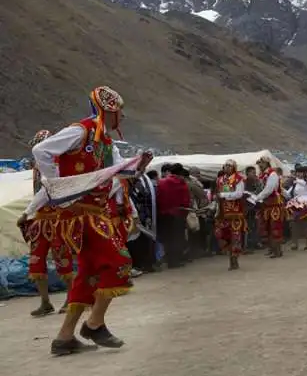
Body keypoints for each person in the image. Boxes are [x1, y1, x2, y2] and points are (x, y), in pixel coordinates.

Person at [23, 86, 151, 355]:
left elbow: (120, 174)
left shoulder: (106, 143)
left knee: (88, 275)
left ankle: (64, 337)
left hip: (94, 214)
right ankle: (94, 324)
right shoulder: (80, 132)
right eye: (119, 113)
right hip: (80, 215)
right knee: (120, 261)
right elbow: (42, 152)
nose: (122, 118)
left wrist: (138, 166)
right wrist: (61, 187)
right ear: (107, 111)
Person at [17, 130, 74, 316]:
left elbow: (47, 191)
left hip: (57, 218)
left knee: (63, 259)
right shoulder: (38, 166)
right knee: (36, 261)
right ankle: (45, 302)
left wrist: (26, 212)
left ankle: (71, 299)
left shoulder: (55, 167)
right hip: (41, 219)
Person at [156, 164, 192, 268]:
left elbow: (158, 198)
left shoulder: (162, 182)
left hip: (164, 215)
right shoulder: (182, 183)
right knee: (177, 238)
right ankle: (175, 261)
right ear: (180, 173)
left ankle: (169, 260)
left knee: (167, 239)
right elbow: (186, 201)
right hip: (178, 215)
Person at [215, 159, 247, 270]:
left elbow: (238, 194)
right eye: (226, 166)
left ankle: (234, 260)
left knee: (235, 236)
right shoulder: (220, 179)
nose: (227, 168)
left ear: (234, 167)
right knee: (224, 235)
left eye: (230, 166)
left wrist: (223, 195)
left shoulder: (239, 179)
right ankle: (230, 258)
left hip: (235, 212)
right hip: (223, 212)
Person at [253, 157, 287, 258]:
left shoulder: (272, 174)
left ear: (267, 163)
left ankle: (278, 251)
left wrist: (257, 198)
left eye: (262, 163)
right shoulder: (262, 175)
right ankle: (272, 249)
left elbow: (269, 189)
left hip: (274, 204)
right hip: (266, 205)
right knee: (267, 227)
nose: (260, 165)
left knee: (275, 227)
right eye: (259, 163)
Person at [285, 165, 307, 251]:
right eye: (298, 172)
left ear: (305, 173)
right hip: (296, 204)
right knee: (294, 224)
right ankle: (295, 243)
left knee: (304, 224)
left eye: (300, 172)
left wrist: (295, 179)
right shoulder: (295, 183)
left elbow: (304, 184)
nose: (298, 174)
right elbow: (288, 193)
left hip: (305, 204)